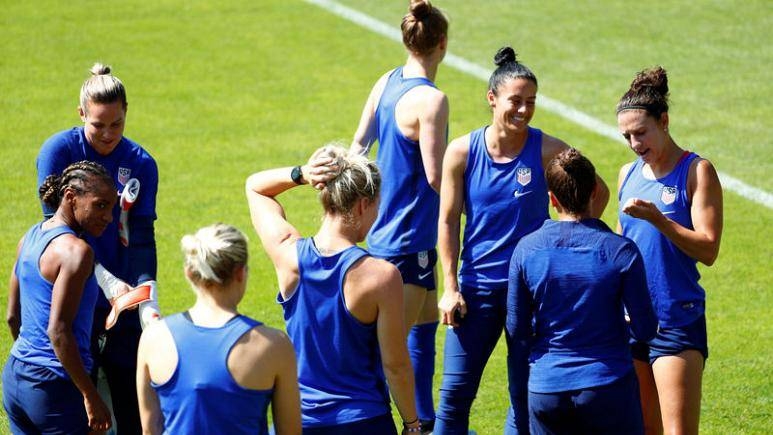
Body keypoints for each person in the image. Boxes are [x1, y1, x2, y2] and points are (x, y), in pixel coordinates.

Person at [435, 46, 610, 434]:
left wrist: (571, 234)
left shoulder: (548, 149)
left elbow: (596, 190)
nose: (524, 110)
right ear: (492, 98)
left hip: (531, 293)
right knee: (454, 395)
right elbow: (447, 221)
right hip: (476, 290)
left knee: (524, 396)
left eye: (531, 102)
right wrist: (450, 287)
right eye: (516, 101)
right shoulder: (461, 152)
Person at [246, 145, 421, 434]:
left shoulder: (287, 256)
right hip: (364, 421)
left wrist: (302, 174)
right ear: (363, 204)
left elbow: (255, 188)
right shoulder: (382, 277)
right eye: (377, 205)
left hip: (298, 422)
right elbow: (396, 365)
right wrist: (412, 424)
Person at [34, 62, 159, 434]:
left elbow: (141, 233)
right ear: (81, 114)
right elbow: (56, 230)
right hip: (75, 293)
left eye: (117, 124)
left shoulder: (141, 163)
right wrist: (101, 278)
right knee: (80, 406)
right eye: (98, 124)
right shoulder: (58, 151)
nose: (108, 134)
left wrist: (146, 292)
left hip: (123, 298)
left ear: (126, 115)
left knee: (133, 401)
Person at [506, 148, 658, 434]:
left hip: (546, 389)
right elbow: (647, 329)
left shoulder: (526, 250)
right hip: (608, 387)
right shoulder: (621, 251)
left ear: (551, 199)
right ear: (595, 191)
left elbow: (517, 332)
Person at [350, 1, 449, 431]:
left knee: (423, 335)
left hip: (398, 237)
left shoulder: (386, 81)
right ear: (442, 44)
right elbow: (435, 175)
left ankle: (424, 421)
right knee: (384, 353)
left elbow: (358, 147)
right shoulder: (432, 100)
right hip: (409, 242)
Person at [616, 66, 723, 435]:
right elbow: (622, 249)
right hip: (631, 322)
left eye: (641, 133)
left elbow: (708, 249)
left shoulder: (696, 172)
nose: (634, 144)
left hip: (676, 317)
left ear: (664, 121)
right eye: (627, 136)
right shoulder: (626, 175)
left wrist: (659, 220)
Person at [135, 223, 302, 434]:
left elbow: (150, 429)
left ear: (189, 272)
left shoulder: (154, 338)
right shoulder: (273, 345)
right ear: (241, 273)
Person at [3, 161, 116, 434]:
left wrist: (32, 363)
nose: (109, 217)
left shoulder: (29, 237)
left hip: (16, 376)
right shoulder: (77, 252)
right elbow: (58, 330)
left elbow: (11, 317)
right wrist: (90, 395)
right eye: (100, 205)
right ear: (70, 197)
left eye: (112, 208)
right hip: (56, 387)